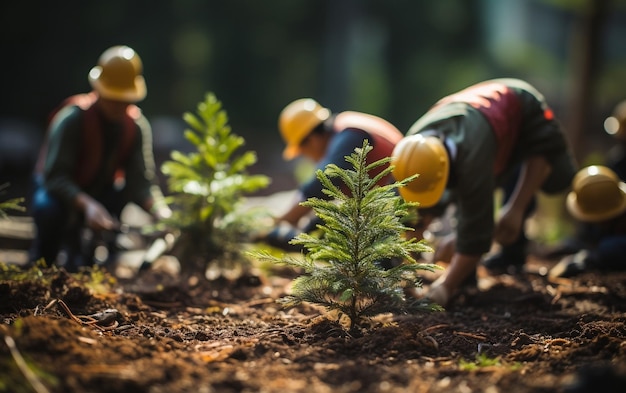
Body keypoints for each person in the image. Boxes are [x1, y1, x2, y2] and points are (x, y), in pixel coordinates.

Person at [391, 78, 577, 306]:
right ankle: (466, 273)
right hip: (475, 129)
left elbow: (477, 232)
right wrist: (409, 272)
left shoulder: (472, 158)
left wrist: (443, 287)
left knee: (558, 178)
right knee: (463, 202)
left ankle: (511, 248)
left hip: (519, 107)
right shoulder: (410, 154)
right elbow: (413, 218)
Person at [29, 45, 171, 272]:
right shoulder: (71, 119)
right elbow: (54, 176)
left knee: (119, 195)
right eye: (112, 99)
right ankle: (42, 264)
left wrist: (160, 212)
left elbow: (140, 182)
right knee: (49, 210)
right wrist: (87, 205)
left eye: (123, 100)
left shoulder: (136, 126)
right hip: (59, 193)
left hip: (101, 193)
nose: (118, 106)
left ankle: (97, 257)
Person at [261, 98, 403, 251]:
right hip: (394, 198)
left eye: (303, 151)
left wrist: (282, 221)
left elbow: (323, 183)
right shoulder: (346, 126)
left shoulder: (349, 136)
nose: (307, 157)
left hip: (401, 202)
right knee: (319, 224)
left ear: (312, 140)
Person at [548, 165, 626, 277]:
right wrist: (569, 246)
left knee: (608, 247)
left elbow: (612, 248)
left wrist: (589, 258)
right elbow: (589, 238)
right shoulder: (599, 226)